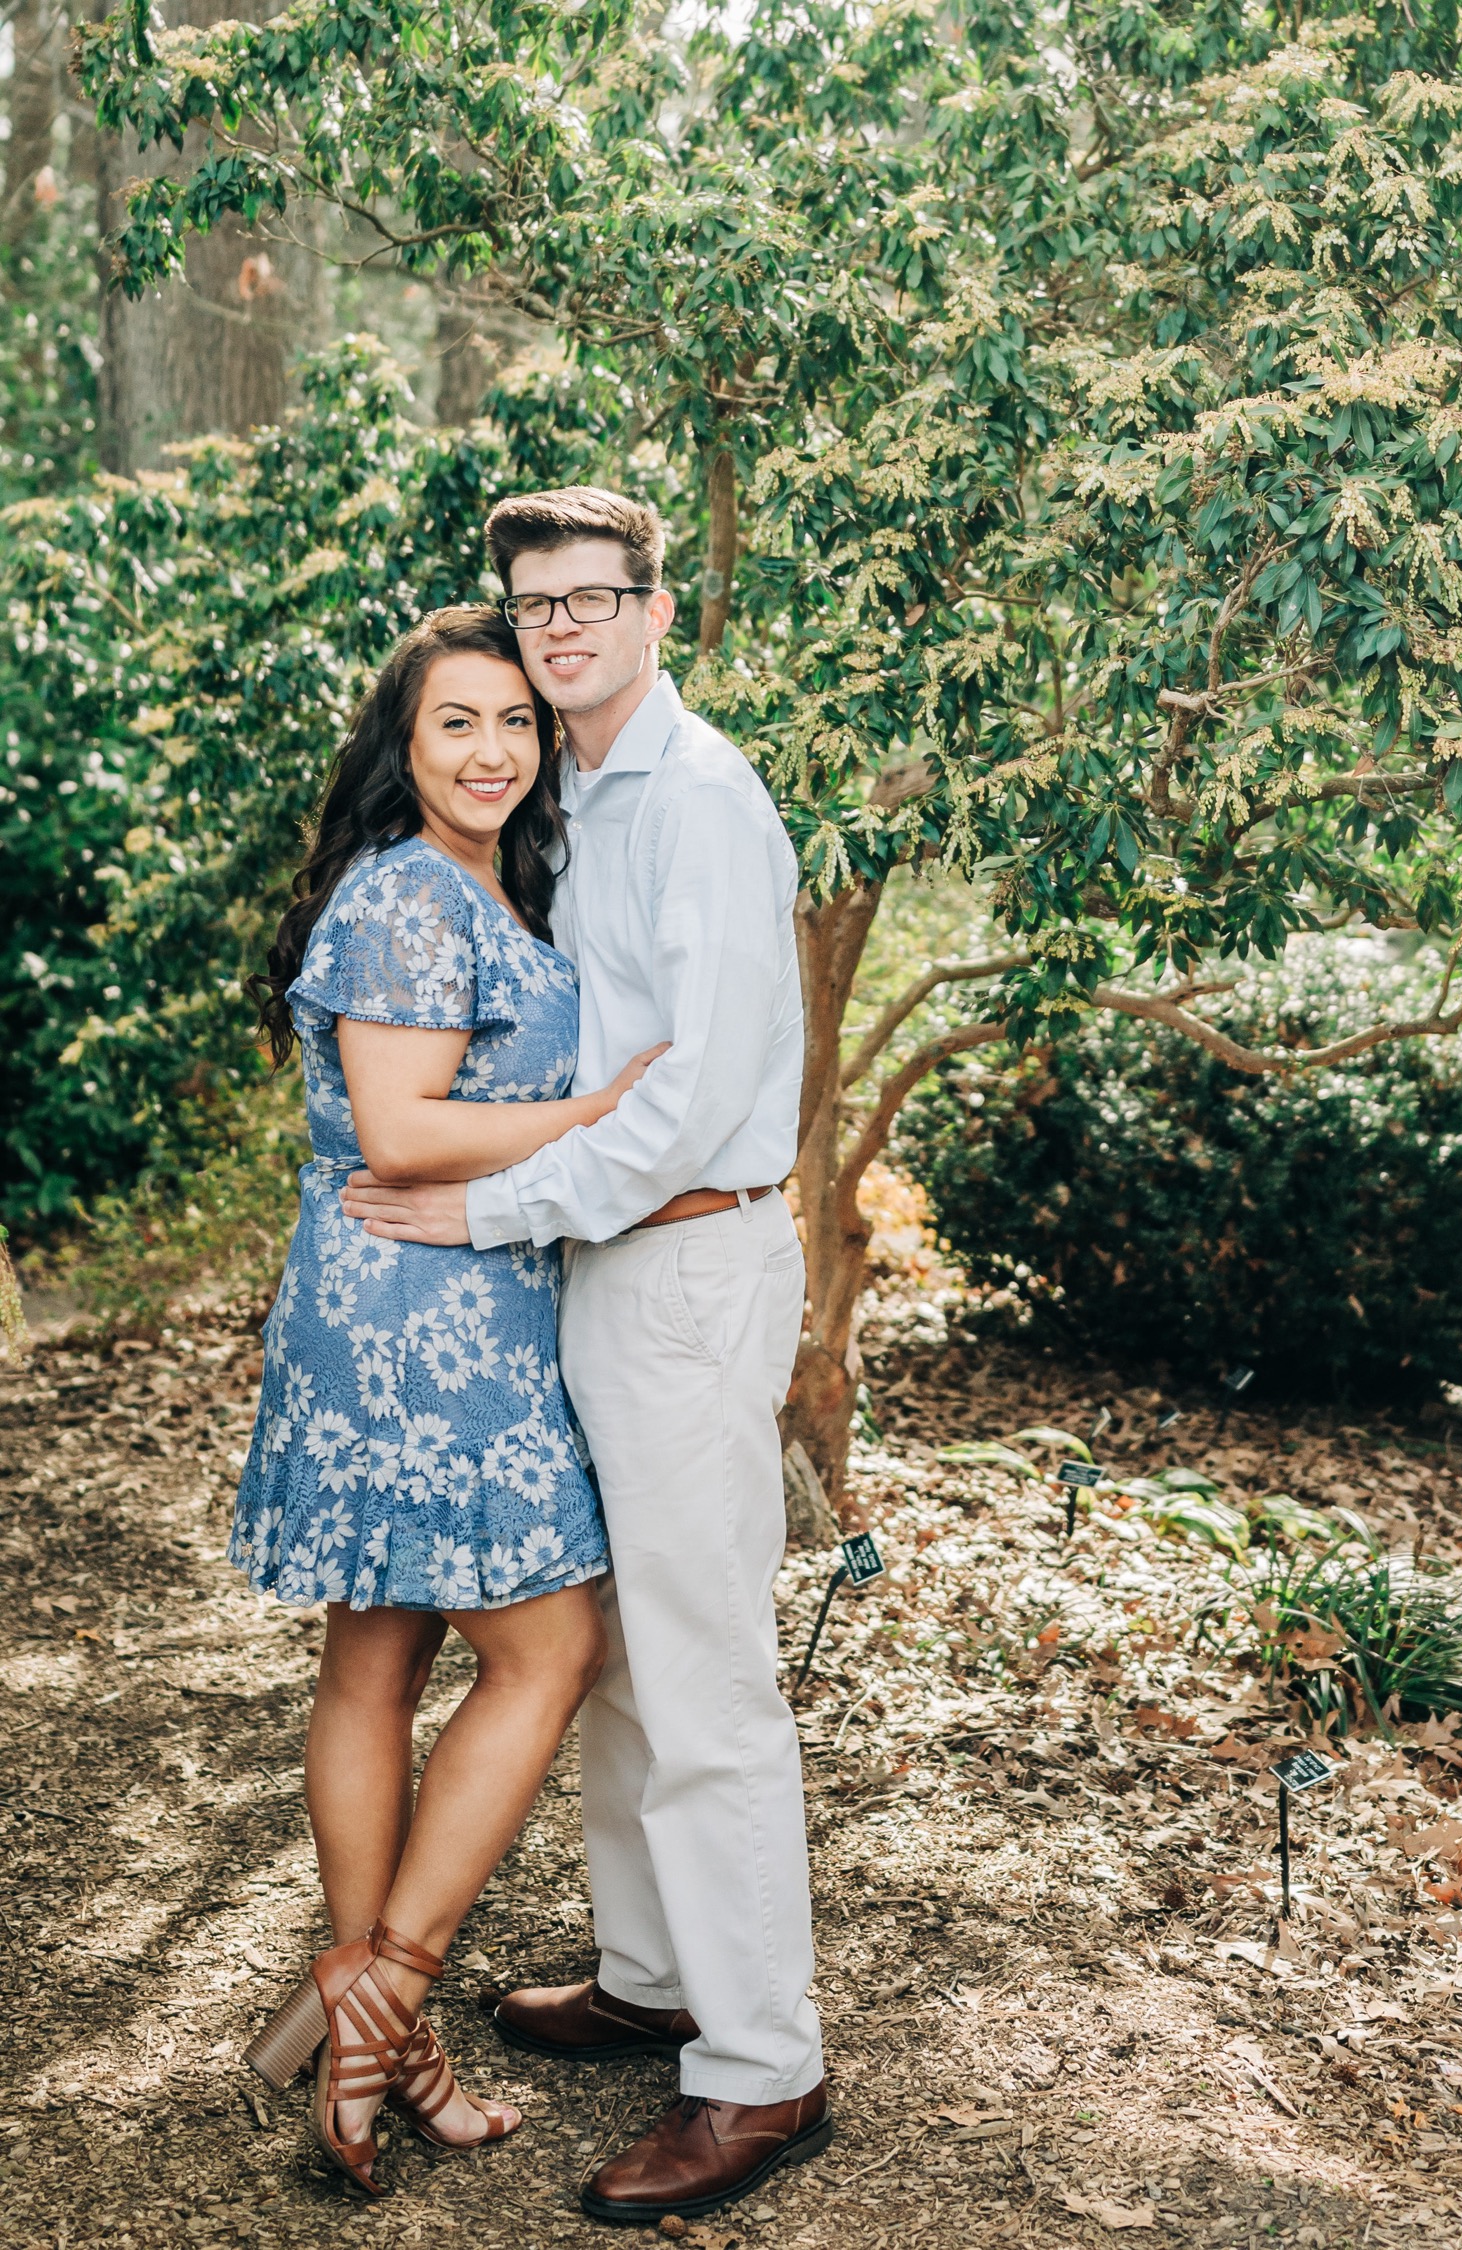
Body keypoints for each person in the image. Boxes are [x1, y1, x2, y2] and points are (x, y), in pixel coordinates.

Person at [341, 488, 831, 2225]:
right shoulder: (583, 795)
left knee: (702, 1675)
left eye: (591, 597)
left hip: (687, 1256)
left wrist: (479, 1214)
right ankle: (651, 1969)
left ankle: (760, 2067)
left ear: (654, 611)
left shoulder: (699, 800)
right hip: (599, 1264)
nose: (557, 627)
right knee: (617, 1650)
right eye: (532, 602)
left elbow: (689, 1101)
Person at [229, 605, 664, 2199]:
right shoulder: (409, 889)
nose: (490, 750)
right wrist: (603, 1107)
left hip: (433, 1300)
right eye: (454, 724)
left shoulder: (490, 881)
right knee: (547, 1644)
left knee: (379, 1646)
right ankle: (395, 1991)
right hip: (416, 1315)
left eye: (512, 724)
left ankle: (368, 2034)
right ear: (400, 750)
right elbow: (404, 1125)